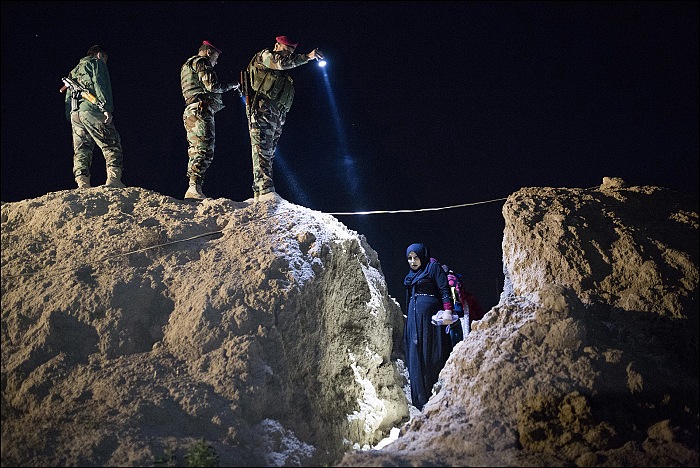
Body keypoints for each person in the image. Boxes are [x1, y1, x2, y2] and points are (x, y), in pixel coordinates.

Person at [243, 35, 323, 202]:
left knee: (269, 152)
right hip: (262, 110)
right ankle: (264, 189)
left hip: (276, 115)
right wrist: (307, 57)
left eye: (291, 52)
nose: (288, 55)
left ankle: (262, 191)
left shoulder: (282, 73)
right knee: (262, 149)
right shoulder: (265, 56)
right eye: (286, 51)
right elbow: (279, 62)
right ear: (277, 46)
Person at [180, 40, 240, 200]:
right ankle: (194, 187)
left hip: (190, 110)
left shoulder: (187, 65)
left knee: (195, 149)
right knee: (205, 149)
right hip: (201, 109)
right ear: (208, 52)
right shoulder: (201, 61)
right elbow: (212, 86)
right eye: (215, 58)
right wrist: (232, 85)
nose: (216, 62)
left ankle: (193, 187)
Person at [63, 45, 125, 189]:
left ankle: (82, 183)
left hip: (76, 114)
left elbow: (68, 96)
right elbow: (100, 85)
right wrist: (106, 108)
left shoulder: (74, 71)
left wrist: (70, 115)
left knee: (82, 149)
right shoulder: (95, 64)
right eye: (105, 59)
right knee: (111, 142)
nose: (105, 62)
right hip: (92, 109)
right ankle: (114, 180)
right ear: (99, 55)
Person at [403, 243, 455, 411]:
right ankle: (420, 400)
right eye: (410, 258)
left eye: (416, 257)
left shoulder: (432, 268)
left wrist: (448, 310)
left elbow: (444, 289)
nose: (413, 261)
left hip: (430, 318)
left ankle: (437, 395)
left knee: (431, 353)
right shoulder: (411, 275)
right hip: (414, 317)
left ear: (422, 256)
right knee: (416, 354)